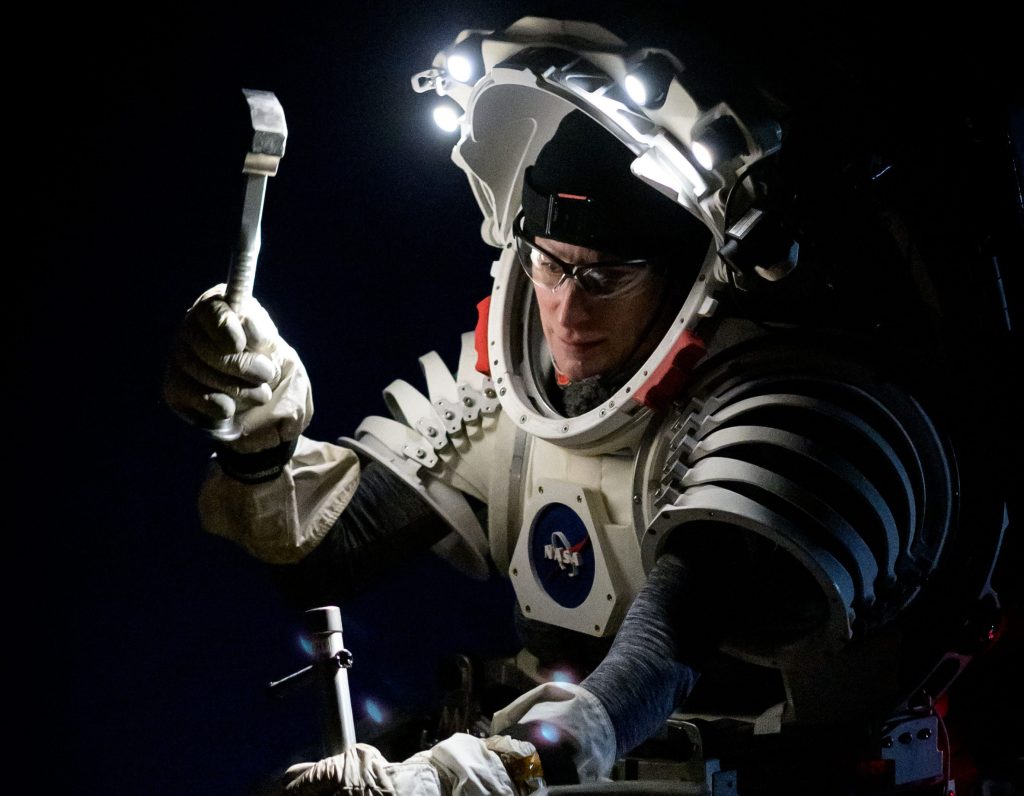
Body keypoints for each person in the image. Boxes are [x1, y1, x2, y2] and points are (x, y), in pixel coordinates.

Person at [164, 16, 1019, 796]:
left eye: (605, 276)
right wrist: (259, 440)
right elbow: (321, 557)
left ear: (687, 276)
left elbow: (661, 652)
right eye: (548, 262)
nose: (567, 311)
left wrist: (481, 774)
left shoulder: (802, 405)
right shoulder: (506, 381)